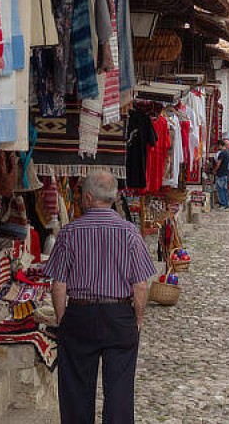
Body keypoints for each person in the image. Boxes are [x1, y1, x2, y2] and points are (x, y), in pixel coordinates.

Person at [46, 170, 156, 424]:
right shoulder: (129, 232)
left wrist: (64, 318)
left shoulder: (70, 232)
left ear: (87, 198)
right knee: (119, 391)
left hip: (80, 314)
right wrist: (138, 319)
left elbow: (59, 285)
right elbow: (140, 285)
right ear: (114, 196)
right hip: (119, 315)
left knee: (75, 388)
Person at [213, 139, 229, 209]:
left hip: (221, 173)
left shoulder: (221, 153)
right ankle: (226, 203)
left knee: (220, 189)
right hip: (226, 173)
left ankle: (223, 204)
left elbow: (218, 164)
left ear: (220, 145)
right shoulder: (227, 153)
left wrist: (215, 170)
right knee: (225, 190)